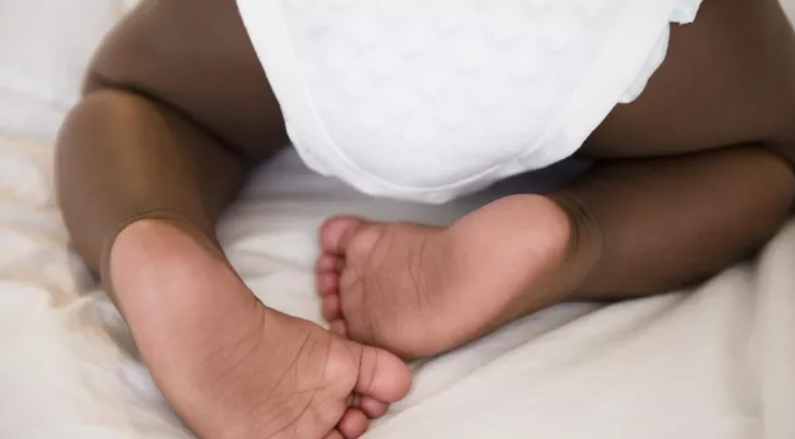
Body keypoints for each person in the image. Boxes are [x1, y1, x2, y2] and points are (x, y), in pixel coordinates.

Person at [56, 0, 795, 438]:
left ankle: (154, 234)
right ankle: (577, 234)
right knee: (766, 156)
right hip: (574, 26)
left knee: (137, 103)